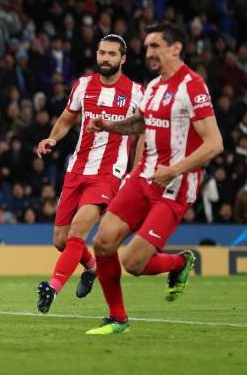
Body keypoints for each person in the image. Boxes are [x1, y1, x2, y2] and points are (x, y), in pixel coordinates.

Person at [84, 24, 223, 334]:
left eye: (155, 46)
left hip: (173, 186)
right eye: (147, 47)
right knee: (103, 243)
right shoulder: (155, 86)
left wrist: (174, 170)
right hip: (142, 178)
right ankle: (117, 318)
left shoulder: (193, 86)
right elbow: (141, 123)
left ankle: (179, 263)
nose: (148, 53)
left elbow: (215, 143)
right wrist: (108, 125)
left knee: (133, 263)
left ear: (175, 49)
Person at [35, 34, 144, 313]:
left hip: (108, 173)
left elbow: (143, 133)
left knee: (79, 230)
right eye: (101, 53)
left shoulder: (135, 92)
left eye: (111, 54)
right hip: (77, 169)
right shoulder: (83, 85)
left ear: (123, 59)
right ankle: (92, 267)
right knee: (60, 240)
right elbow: (68, 118)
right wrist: (52, 139)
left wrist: (135, 170)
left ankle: (53, 288)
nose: (105, 58)